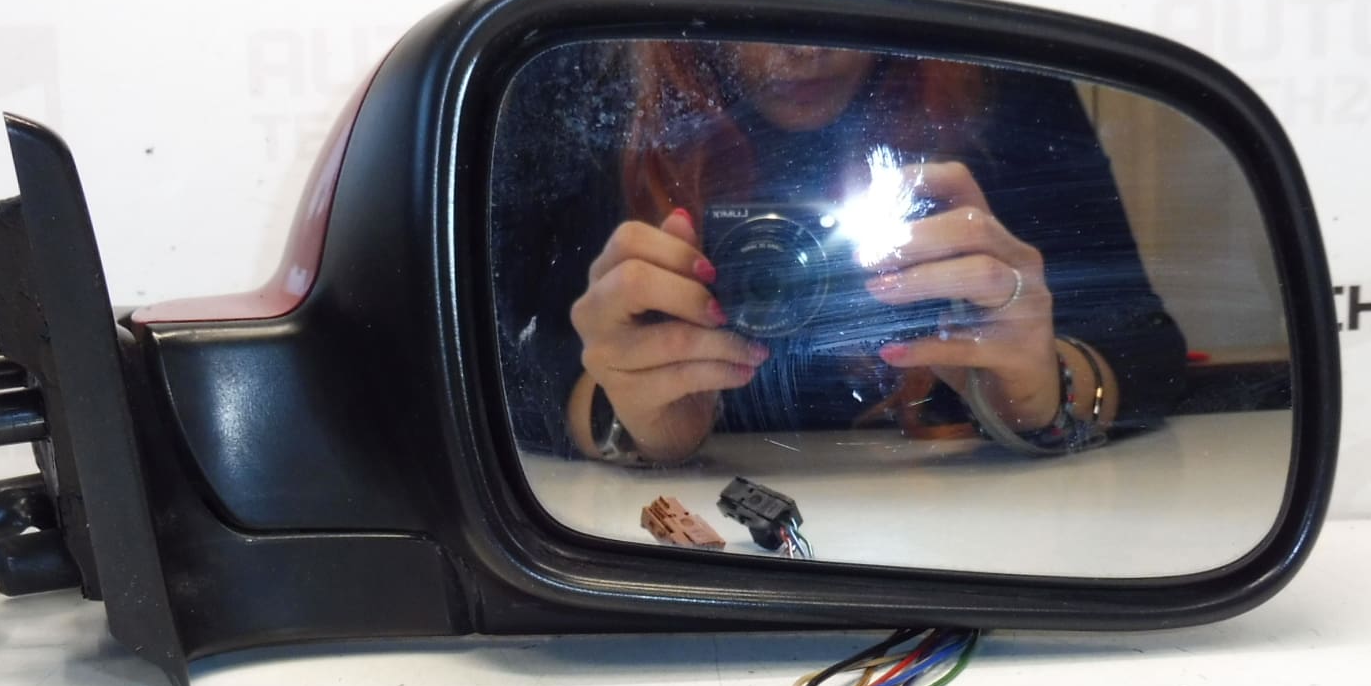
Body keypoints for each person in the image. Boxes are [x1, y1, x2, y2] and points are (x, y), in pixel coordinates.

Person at [491, 40, 1187, 465]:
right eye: (750, 9)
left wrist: (1039, 388)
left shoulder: (1002, 70)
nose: (801, 51)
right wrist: (624, 410)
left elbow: (1144, 342)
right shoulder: (579, 80)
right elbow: (493, 370)